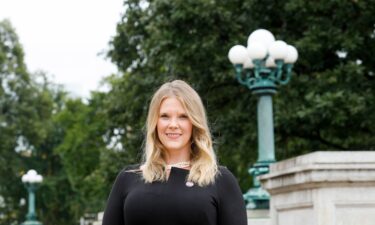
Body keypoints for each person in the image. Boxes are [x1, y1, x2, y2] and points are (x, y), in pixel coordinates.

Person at [102, 80, 247, 225]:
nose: (173, 125)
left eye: (183, 117)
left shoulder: (221, 181)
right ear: (155, 122)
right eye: (165, 116)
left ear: (194, 123)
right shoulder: (127, 178)